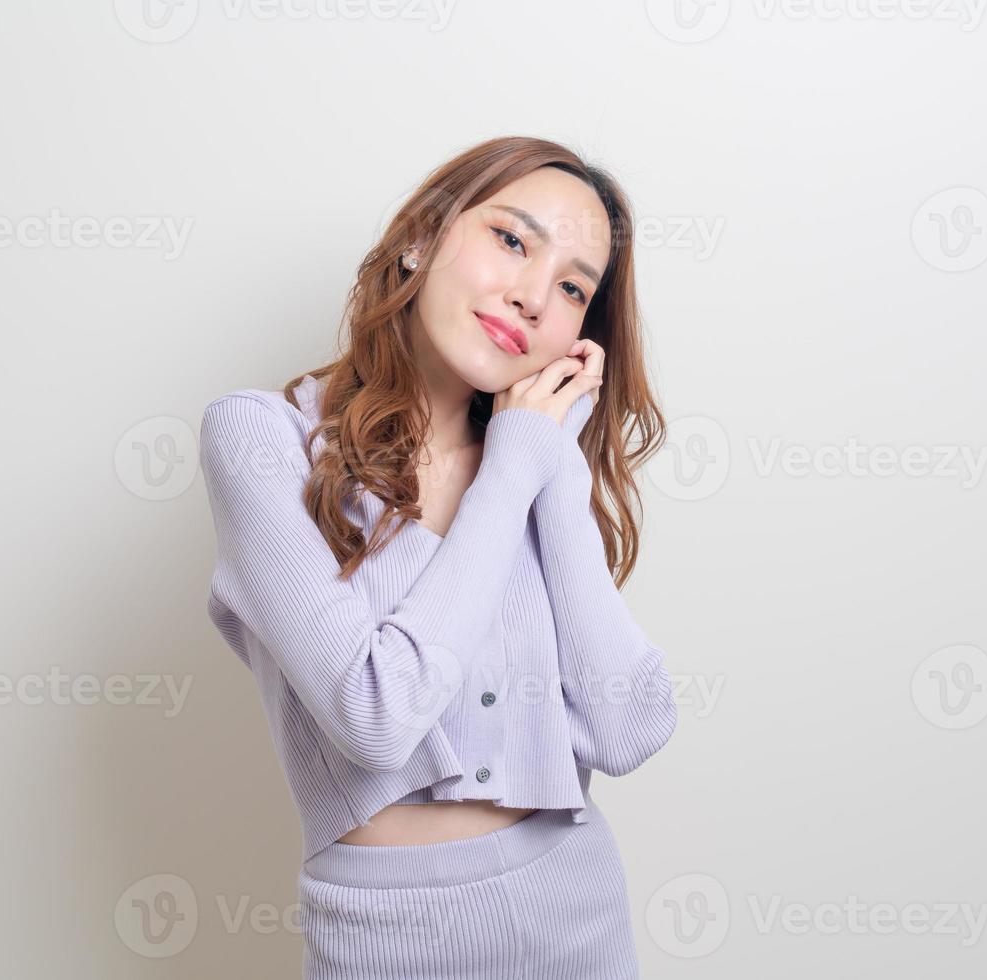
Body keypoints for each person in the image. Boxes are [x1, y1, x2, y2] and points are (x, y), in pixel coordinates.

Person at [199, 135, 678, 978]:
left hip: (578, 910)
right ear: (420, 235)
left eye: (571, 287)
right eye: (511, 240)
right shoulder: (262, 439)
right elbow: (375, 715)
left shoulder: (535, 463)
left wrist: (551, 467)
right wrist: (513, 469)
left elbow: (628, 728)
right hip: (388, 936)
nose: (533, 296)